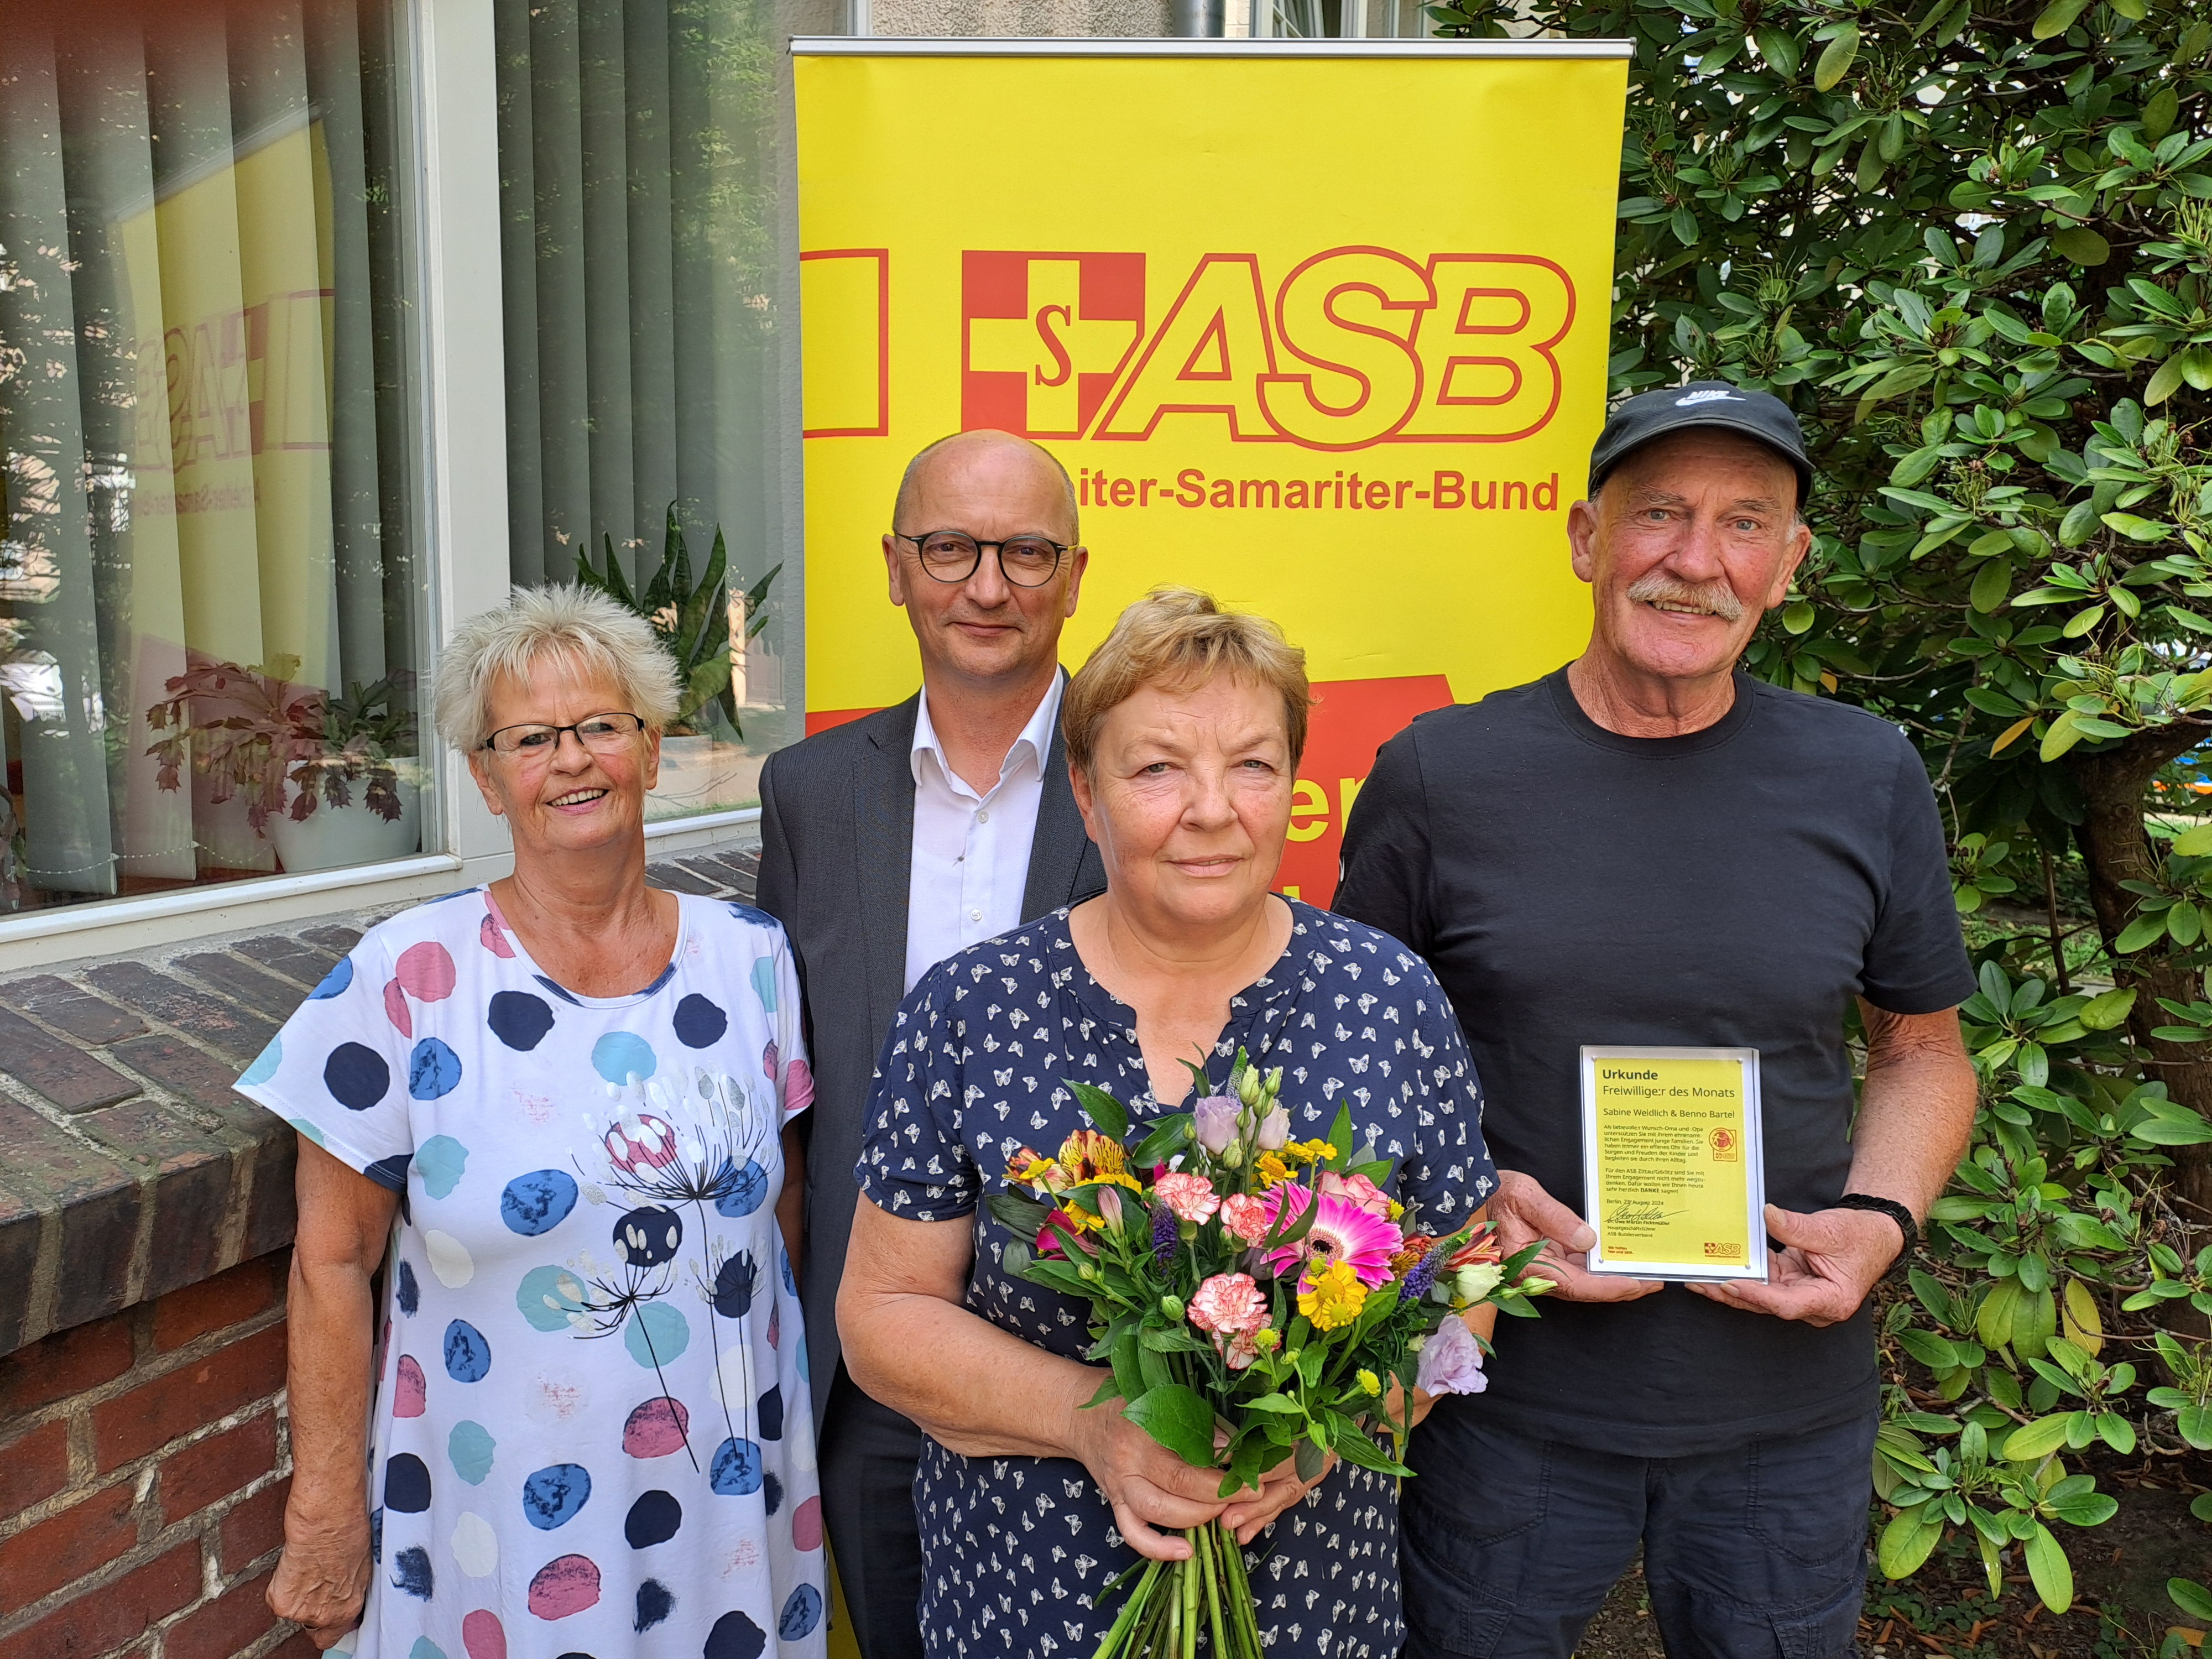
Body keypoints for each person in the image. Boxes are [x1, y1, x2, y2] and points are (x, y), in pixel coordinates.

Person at [1335, 381, 1979, 1659]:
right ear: (1584, 538)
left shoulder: (1863, 773)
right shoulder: (1439, 772)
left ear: (1788, 564)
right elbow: (1350, 1069)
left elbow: (1921, 1051)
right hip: (1504, 1398)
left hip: (1781, 1415)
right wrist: (1467, 1225)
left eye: (1744, 524)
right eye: (1658, 515)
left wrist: (1877, 1222)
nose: (1694, 562)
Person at [837, 587, 1498, 1657]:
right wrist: (1094, 1418)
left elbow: (1465, 1282)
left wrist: (1331, 1434)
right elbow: (883, 1313)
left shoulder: (1390, 997)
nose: (1212, 808)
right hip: (1029, 1609)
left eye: (1252, 764)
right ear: (1086, 794)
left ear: (1294, 786)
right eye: (1157, 769)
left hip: (1310, 1613)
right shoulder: (973, 1005)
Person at [245, 586, 825, 1657]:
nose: (572, 759)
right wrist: (322, 1517)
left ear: (652, 754)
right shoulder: (405, 977)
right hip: (492, 1519)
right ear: (484, 778)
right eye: (530, 738)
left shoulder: (752, 959)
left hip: (722, 1508)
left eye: (602, 725)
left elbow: (774, 1226)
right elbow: (330, 1266)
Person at [754, 429, 1105, 1657]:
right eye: (950, 548)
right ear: (896, 567)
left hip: (1086, 1361)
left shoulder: (1143, 782)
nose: (988, 585)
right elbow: (790, 1077)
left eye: (1025, 551)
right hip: (869, 1361)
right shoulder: (806, 791)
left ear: (1073, 574)